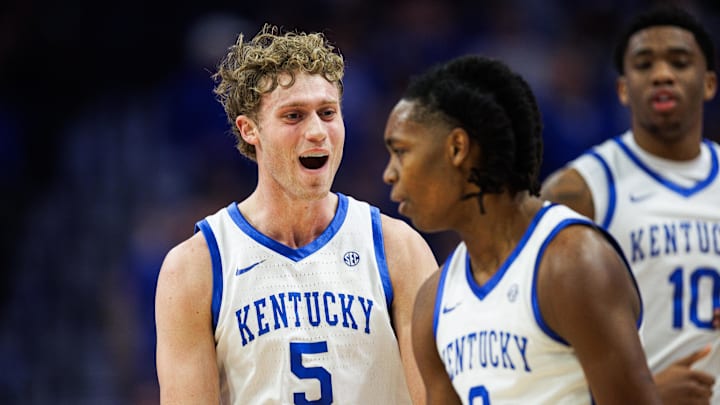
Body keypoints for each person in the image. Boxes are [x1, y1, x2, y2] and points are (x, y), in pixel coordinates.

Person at [154, 23, 437, 404]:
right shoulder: (195, 268)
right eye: (294, 116)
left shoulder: (398, 249)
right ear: (249, 129)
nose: (318, 131)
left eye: (327, 112)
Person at [382, 54, 661, 404]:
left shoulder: (571, 262)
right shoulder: (433, 301)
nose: (389, 174)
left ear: (457, 148)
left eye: (401, 152)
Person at [540, 5, 719, 404]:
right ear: (622, 88)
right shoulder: (578, 189)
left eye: (680, 61)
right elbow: (535, 335)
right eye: (644, 63)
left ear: (709, 84)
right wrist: (642, 395)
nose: (662, 74)